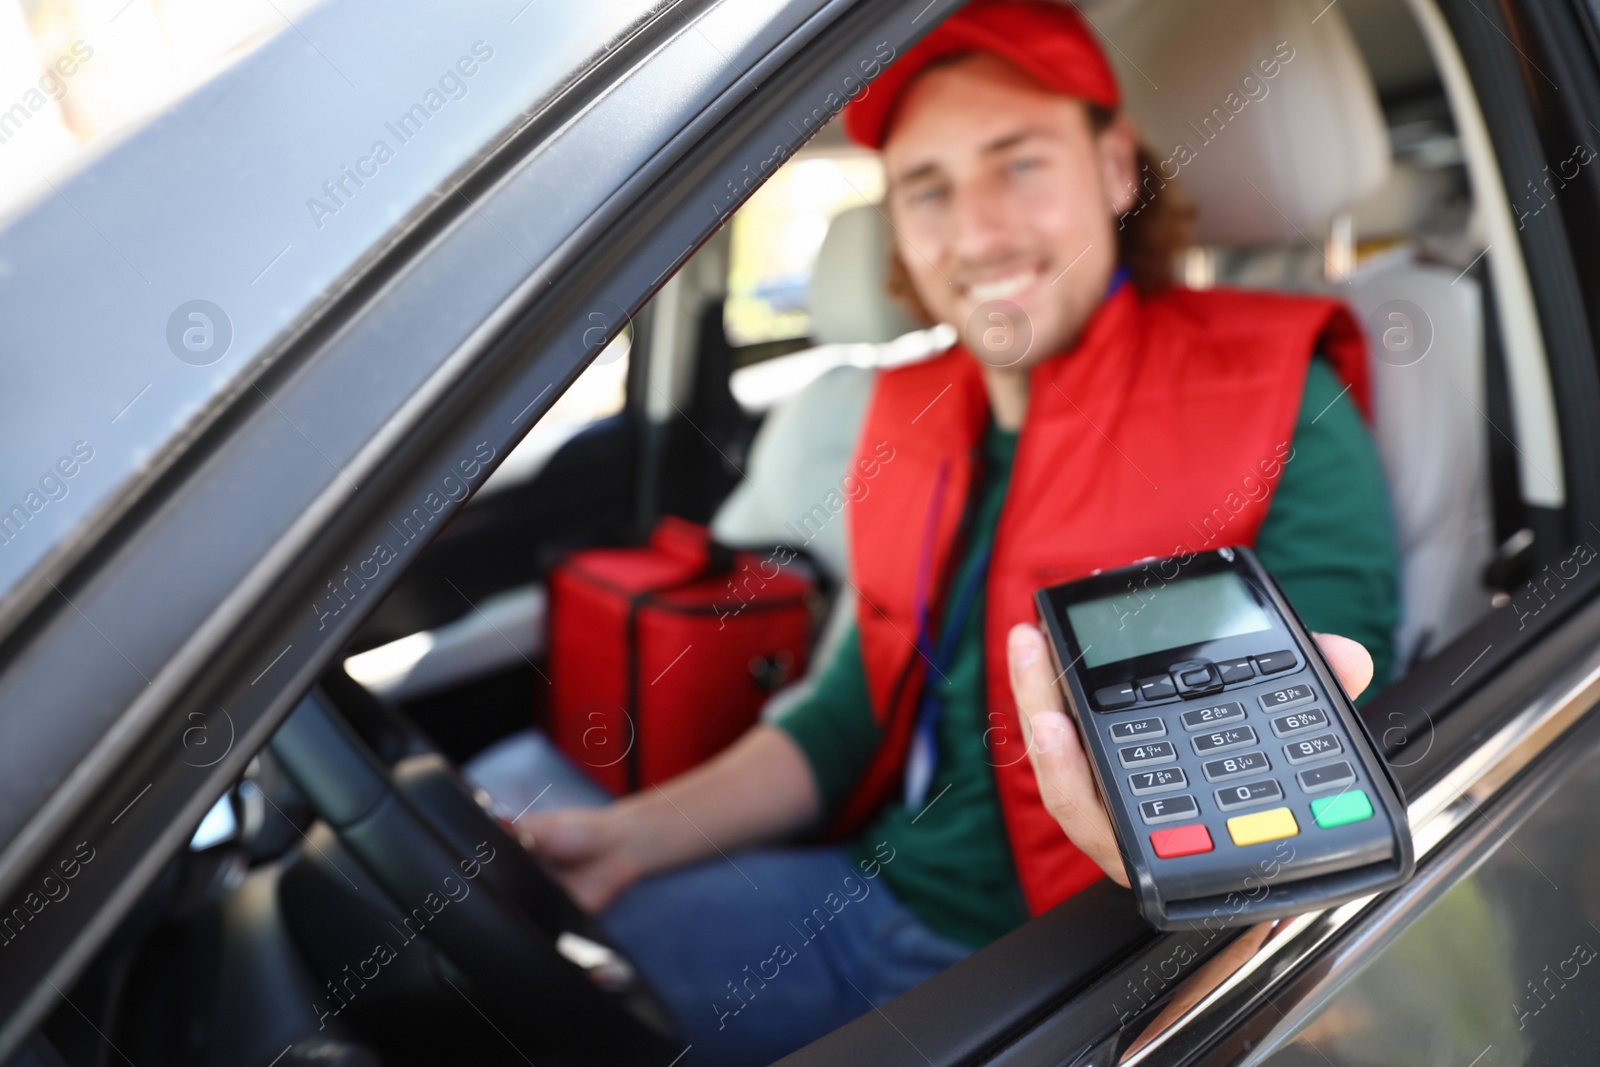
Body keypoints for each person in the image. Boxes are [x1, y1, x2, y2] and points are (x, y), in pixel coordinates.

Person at [501, 2, 1398, 1063]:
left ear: (1115, 170)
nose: (973, 231)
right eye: (926, 186)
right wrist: (620, 841)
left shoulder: (1278, 399)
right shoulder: (905, 419)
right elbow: (844, 713)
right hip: (852, 894)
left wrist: (1200, 875)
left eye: (1018, 163)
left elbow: (1313, 738)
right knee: (514, 993)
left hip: (1078, 965)